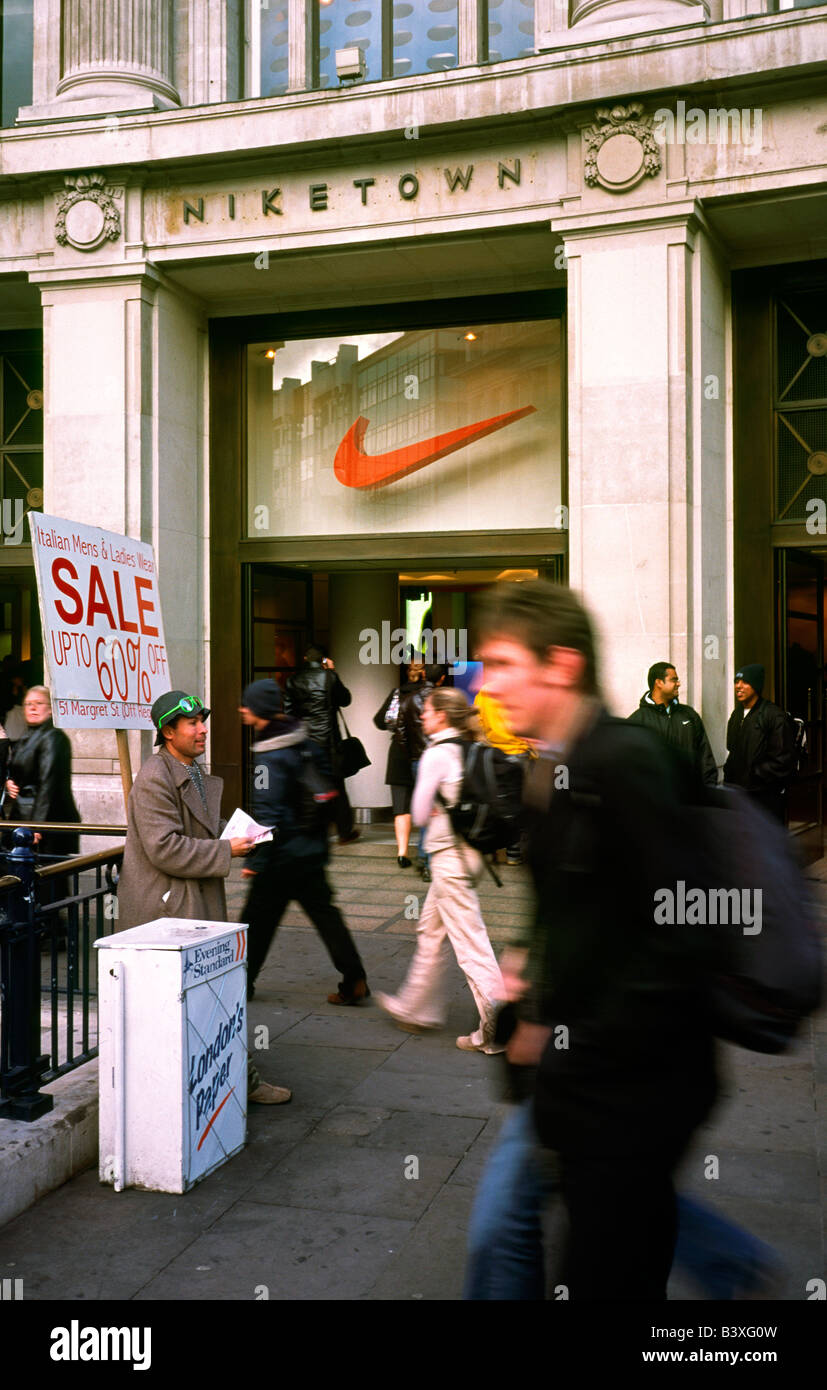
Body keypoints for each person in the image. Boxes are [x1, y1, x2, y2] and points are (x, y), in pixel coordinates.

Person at [464, 580, 719, 1300]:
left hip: (634, 1094)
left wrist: (568, 1034)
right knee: (533, 1236)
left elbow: (687, 929)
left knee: (607, 1266)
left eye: (503, 663)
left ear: (561, 665)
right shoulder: (550, 766)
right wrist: (527, 975)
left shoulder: (628, 761)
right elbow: (569, 906)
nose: (490, 685)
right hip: (578, 1091)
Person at [116, 689, 290, 1106]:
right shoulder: (155, 777)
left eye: (201, 720)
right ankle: (212, 1085)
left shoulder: (188, 768)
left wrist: (238, 831)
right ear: (167, 731)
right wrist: (227, 850)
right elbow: (165, 849)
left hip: (192, 901)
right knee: (193, 1003)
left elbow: (199, 828)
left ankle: (232, 1080)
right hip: (169, 909)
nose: (202, 729)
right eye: (192, 723)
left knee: (214, 997)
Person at [375, 687, 506, 1054]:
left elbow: (416, 815)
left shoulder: (437, 755)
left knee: (470, 943)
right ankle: (418, 1008)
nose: (422, 716)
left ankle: (497, 1029)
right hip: (473, 856)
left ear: (443, 716)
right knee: (430, 928)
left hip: (450, 860)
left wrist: (431, 808)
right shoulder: (473, 748)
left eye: (428, 711)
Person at [239, 679, 369, 1006]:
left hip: (281, 857)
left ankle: (241, 985)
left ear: (258, 710)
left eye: (246, 705)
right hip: (311, 850)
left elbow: (269, 813)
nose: (241, 709)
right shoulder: (306, 741)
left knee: (256, 921)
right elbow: (328, 788)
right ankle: (354, 978)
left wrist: (256, 863)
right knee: (327, 916)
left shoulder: (268, 753)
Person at [284, 646, 360, 844]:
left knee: (308, 785)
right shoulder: (329, 677)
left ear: (304, 658)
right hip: (329, 742)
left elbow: (288, 712)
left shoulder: (292, 680)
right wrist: (332, 672)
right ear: (324, 660)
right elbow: (345, 700)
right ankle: (344, 832)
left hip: (305, 740)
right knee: (337, 785)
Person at [4, 685, 80, 858]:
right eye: (28, 703)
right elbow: (16, 767)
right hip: (23, 818)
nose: (32, 708)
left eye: (39, 703)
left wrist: (38, 826)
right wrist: (9, 780)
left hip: (47, 822)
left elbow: (49, 784)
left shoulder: (53, 738)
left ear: (50, 709)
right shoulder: (28, 736)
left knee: (48, 878)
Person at [627, 661, 718, 788]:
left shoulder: (689, 715)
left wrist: (710, 790)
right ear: (658, 682)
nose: (679, 684)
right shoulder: (638, 720)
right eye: (673, 680)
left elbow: (705, 757)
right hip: (656, 801)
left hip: (690, 799)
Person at [723, 663, 795, 824]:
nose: (738, 686)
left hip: (765, 799)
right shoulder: (737, 715)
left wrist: (754, 775)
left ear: (756, 685)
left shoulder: (773, 716)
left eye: (745, 682)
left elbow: (783, 760)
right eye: (736, 682)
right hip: (740, 798)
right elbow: (732, 750)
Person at [474, 685, 536, 864]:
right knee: (520, 802)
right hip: (520, 753)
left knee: (497, 800)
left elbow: (478, 721)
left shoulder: (484, 693)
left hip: (494, 754)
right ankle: (514, 852)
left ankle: (491, 849)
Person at [373, 664, 427, 868]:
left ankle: (402, 852)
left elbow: (379, 720)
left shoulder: (396, 693)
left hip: (398, 752)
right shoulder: (429, 694)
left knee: (400, 805)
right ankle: (425, 851)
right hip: (422, 751)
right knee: (426, 804)